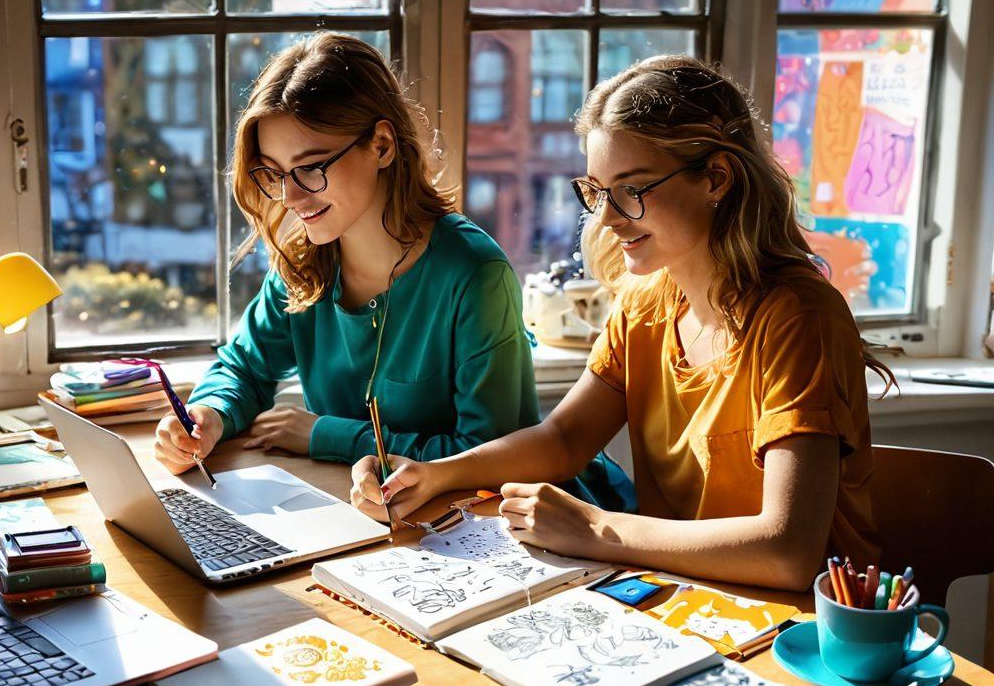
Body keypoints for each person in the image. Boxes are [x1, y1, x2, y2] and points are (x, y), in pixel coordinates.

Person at [352, 55, 894, 592]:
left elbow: (787, 553)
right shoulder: (648, 300)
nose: (606, 219)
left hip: (804, 624)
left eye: (631, 190)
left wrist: (596, 527)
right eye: (596, 191)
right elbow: (564, 439)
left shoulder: (798, 317)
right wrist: (437, 473)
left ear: (716, 177)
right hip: (689, 595)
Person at [153, 33, 547, 485]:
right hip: (359, 516)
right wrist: (207, 416)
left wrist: (328, 434)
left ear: (381, 145)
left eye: (311, 167)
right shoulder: (304, 263)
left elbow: (487, 457)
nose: (290, 196)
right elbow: (243, 369)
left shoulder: (475, 276)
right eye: (274, 173)